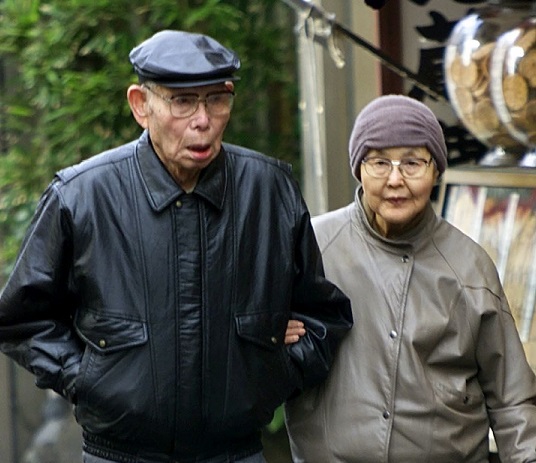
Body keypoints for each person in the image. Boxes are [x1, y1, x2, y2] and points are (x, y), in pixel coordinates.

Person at [0, 30, 353, 463]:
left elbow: (323, 314)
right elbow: (21, 319)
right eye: (182, 101)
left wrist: (273, 368)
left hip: (236, 453)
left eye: (216, 99)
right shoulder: (82, 195)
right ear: (140, 105)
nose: (202, 120)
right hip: (120, 454)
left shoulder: (269, 189)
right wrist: (89, 377)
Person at [285, 94, 536, 462]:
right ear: (359, 169)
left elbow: (511, 397)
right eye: (379, 163)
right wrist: (273, 334)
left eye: (413, 163)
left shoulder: (469, 265)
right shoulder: (313, 247)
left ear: (436, 170)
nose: (395, 180)